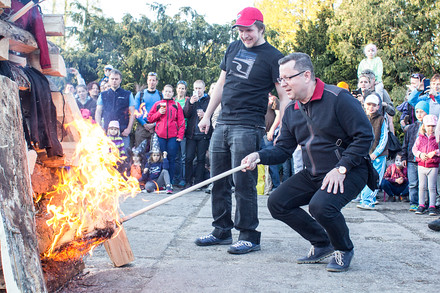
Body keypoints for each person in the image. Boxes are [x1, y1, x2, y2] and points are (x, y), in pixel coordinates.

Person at [242, 52, 373, 272]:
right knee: (277, 203)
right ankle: (322, 242)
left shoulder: (339, 98)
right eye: (280, 79)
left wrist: (342, 168)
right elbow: (283, 149)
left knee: (320, 207)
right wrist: (259, 156)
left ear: (306, 75)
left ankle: (344, 248)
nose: (282, 84)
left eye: (287, 78)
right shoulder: (292, 110)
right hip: (313, 172)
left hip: (350, 170)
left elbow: (364, 137)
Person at [195, 7, 286, 254]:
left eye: (249, 30)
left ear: (261, 28)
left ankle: (248, 235)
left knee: (244, 182)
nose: (244, 35)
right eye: (241, 30)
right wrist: (209, 117)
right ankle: (221, 230)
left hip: (248, 126)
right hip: (222, 122)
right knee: (218, 180)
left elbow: (283, 95)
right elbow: (221, 84)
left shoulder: (273, 57)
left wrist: (282, 123)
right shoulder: (233, 48)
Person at [147, 84, 185, 188]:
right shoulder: (158, 104)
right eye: (166, 91)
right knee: (161, 159)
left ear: (173, 93)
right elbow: (150, 118)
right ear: (163, 92)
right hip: (160, 136)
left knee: (172, 159)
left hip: (173, 137)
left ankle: (170, 182)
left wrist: (180, 136)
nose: (167, 93)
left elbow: (181, 122)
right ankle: (160, 182)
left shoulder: (176, 105)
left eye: (170, 91)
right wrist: (159, 113)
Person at [356, 94, 388, 210]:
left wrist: (376, 152)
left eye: (374, 105)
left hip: (379, 155)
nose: (371, 107)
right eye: (369, 105)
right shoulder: (362, 118)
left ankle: (368, 200)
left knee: (374, 177)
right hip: (366, 154)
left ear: (378, 106)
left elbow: (384, 138)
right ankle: (366, 197)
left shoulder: (381, 119)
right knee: (364, 176)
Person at [95, 69, 135, 151]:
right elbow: (98, 112)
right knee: (107, 157)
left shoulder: (128, 94)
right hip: (107, 132)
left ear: (120, 80)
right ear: (109, 80)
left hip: (123, 132)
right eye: (112, 79)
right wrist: (100, 128)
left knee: (124, 158)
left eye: (116, 79)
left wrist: (129, 129)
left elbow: (133, 113)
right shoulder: (103, 95)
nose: (114, 81)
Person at [401, 101, 429, 211]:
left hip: (424, 160)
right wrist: (403, 157)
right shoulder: (411, 128)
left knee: (424, 184)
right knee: (413, 183)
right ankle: (413, 202)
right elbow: (406, 144)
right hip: (411, 160)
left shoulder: (430, 128)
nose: (419, 114)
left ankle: (424, 203)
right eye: (417, 111)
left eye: (422, 112)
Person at [183, 80, 212, 188]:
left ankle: (199, 182)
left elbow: (212, 114)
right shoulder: (190, 100)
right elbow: (185, 114)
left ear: (204, 89)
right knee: (189, 158)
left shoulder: (208, 100)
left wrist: (205, 115)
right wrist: (190, 103)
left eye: (199, 88)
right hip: (191, 134)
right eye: (195, 88)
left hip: (203, 134)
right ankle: (188, 182)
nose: (197, 90)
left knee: (201, 159)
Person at [412, 114, 440, 216]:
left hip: (433, 165)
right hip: (421, 165)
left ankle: (432, 206)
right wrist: (420, 154)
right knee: (422, 186)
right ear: (424, 126)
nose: (431, 128)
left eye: (433, 126)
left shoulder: (437, 138)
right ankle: (421, 205)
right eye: (428, 126)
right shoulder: (420, 138)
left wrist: (435, 152)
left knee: (432, 187)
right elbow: (414, 149)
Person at [134, 72, 163, 148]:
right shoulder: (140, 94)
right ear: (147, 81)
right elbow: (136, 111)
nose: (151, 82)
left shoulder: (161, 95)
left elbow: (163, 112)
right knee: (139, 152)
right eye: (150, 80)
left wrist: (153, 125)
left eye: (153, 80)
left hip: (156, 127)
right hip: (142, 126)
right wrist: (144, 124)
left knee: (155, 153)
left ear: (156, 82)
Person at [261, 92, 281, 191]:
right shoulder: (258, 97)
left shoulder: (273, 99)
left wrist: (272, 130)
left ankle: (276, 185)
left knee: (271, 161)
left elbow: (278, 115)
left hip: (268, 134)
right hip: (258, 132)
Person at [174, 80, 189, 187]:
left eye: (183, 88)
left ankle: (183, 179)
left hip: (184, 131)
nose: (181, 90)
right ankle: (176, 177)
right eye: (179, 88)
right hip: (173, 132)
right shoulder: (173, 100)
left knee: (184, 157)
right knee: (176, 156)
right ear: (176, 89)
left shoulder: (187, 100)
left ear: (185, 90)